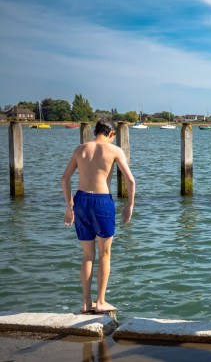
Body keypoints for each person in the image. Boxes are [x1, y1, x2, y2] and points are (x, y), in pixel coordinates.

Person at [61, 118, 136, 314]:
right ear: (112, 134)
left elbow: (65, 177)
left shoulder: (80, 149)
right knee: (104, 253)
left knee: (87, 255)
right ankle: (100, 301)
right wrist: (129, 205)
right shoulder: (115, 150)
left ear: (95, 131)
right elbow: (131, 180)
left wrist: (70, 206)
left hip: (81, 201)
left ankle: (86, 303)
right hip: (102, 201)